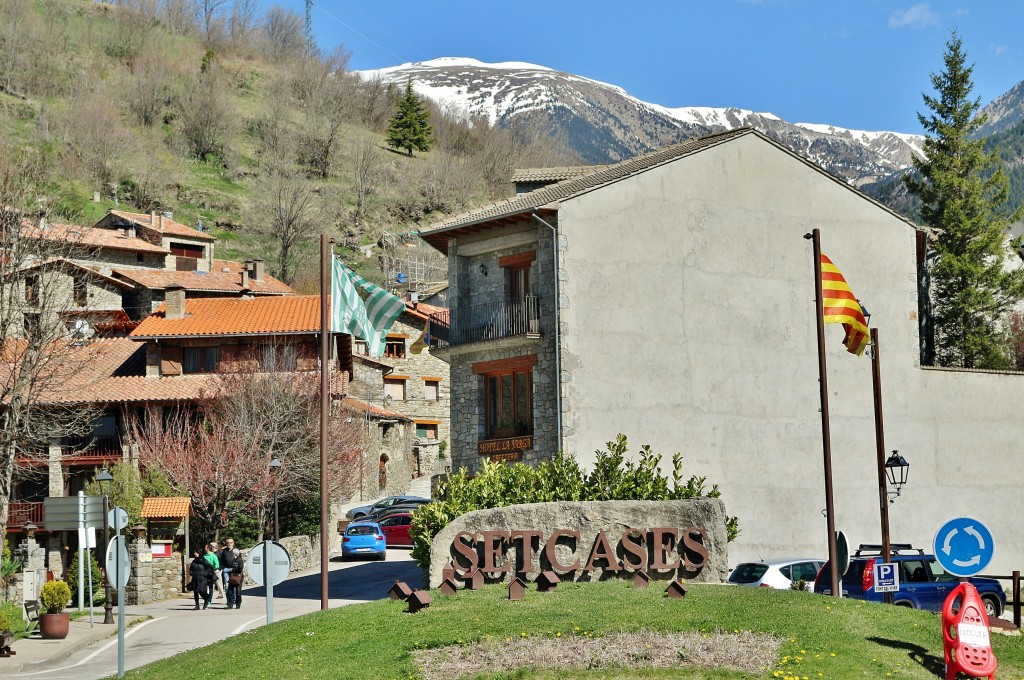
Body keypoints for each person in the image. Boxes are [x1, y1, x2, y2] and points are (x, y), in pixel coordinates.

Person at [220, 538, 242, 609]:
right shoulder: (224, 551)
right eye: (228, 542)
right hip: (226, 570)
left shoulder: (236, 550)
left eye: (231, 542)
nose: (229, 544)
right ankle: (229, 602)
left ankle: (235, 601)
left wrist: (235, 569)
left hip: (234, 571)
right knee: (227, 586)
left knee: (235, 586)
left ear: (233, 543)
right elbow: (221, 560)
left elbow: (240, 561)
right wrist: (223, 568)